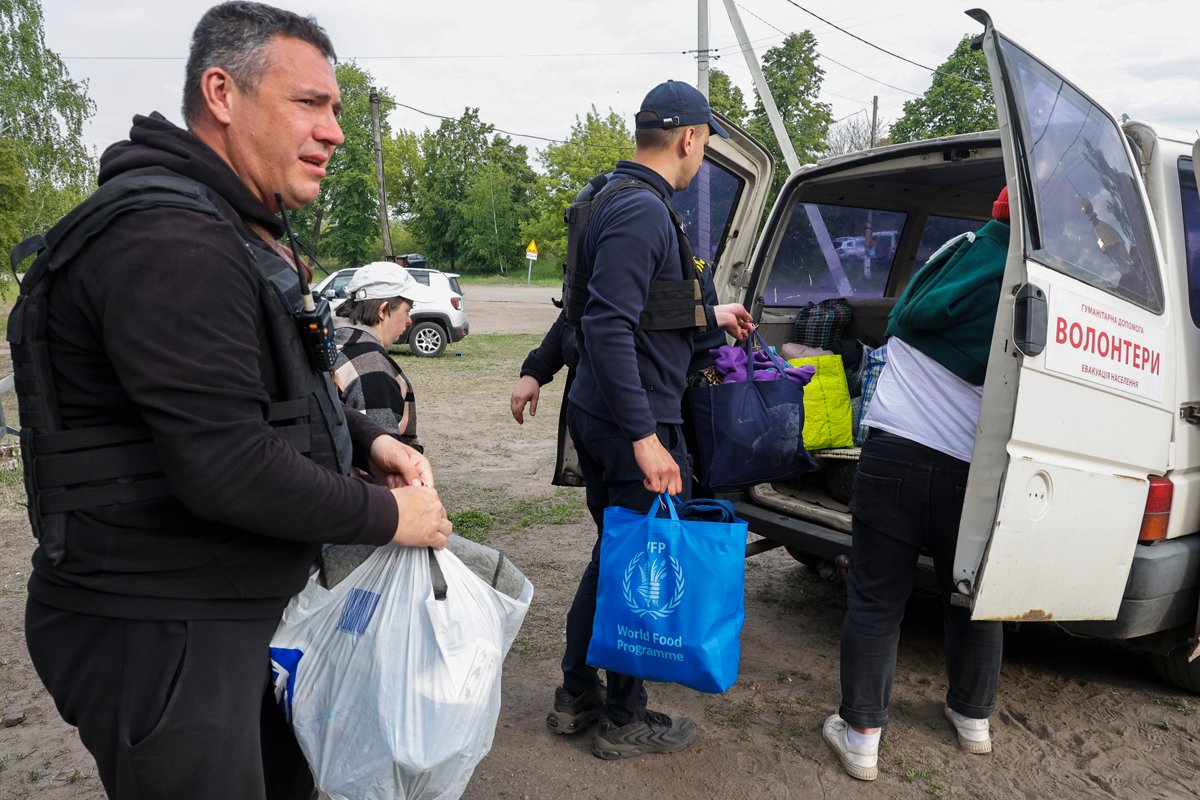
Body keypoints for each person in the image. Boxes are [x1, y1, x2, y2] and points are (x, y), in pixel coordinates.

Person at [17, 4, 452, 799]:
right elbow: (224, 463)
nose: (335, 131)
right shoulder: (168, 241)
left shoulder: (225, 227)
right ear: (222, 92)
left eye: (337, 110)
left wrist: (363, 439)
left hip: (225, 607)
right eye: (309, 103)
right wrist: (392, 519)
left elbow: (250, 394)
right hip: (158, 624)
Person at [543, 80, 754, 761]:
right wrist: (646, 440)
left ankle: (578, 693)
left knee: (615, 555)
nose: (702, 155)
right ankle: (623, 717)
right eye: (706, 144)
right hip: (632, 420)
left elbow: (612, 308)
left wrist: (707, 315)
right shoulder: (642, 212)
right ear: (690, 139)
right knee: (641, 562)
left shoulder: (611, 197)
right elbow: (606, 324)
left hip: (601, 410)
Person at [823, 186, 1011, 781]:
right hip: (974, 470)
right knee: (974, 597)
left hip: (894, 453)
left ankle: (860, 738)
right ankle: (972, 718)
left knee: (876, 600)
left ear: (994, 215)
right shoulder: (1046, 286)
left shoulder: (953, 255)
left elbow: (901, 320)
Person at [333, 261, 437, 449]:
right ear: (383, 310)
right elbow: (384, 463)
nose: (408, 320)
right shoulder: (372, 369)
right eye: (407, 310)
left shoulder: (334, 341)